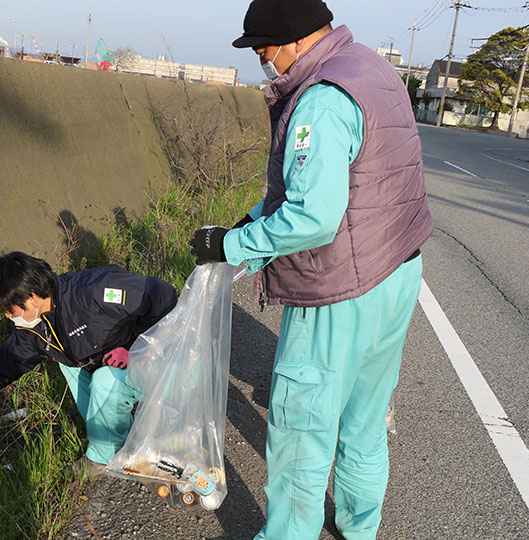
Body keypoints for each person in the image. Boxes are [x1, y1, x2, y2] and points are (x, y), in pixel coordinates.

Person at [190, 1, 434, 538]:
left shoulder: (320, 100)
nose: (263, 61)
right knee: (365, 421)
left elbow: (312, 218)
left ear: (295, 39)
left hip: (339, 289)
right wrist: (248, 224)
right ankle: (357, 527)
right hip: (395, 270)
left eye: (263, 49)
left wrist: (231, 246)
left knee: (302, 428)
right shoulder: (370, 67)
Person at [0, 252, 177, 477]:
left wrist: (138, 348)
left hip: (166, 362)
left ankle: (103, 457)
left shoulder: (93, 292)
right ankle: (114, 437)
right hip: (120, 367)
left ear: (32, 298)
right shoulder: (35, 330)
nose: (8, 317)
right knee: (68, 365)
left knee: (105, 379)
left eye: (9, 310)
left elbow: (164, 295)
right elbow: (0, 367)